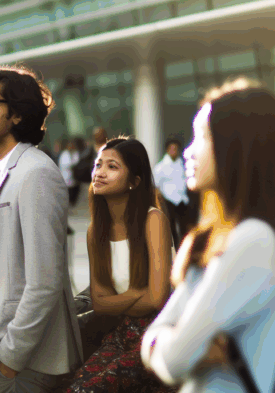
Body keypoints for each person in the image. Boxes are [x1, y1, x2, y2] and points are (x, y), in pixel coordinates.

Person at [141, 78, 275, 392]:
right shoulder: (215, 239)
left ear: (237, 149)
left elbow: (172, 359)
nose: (188, 152)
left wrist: (172, 344)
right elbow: (153, 341)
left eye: (202, 138)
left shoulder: (254, 240)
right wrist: (180, 344)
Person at [0, 65, 81, 393]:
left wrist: (10, 358)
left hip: (29, 363)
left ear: (15, 114)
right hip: (8, 358)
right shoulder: (11, 170)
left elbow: (44, 281)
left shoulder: (36, 173)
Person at [64, 137, 174, 393]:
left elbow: (158, 299)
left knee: (91, 388)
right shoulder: (95, 232)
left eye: (112, 167)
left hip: (159, 332)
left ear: (135, 181)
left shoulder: (153, 220)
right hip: (121, 330)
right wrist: (137, 293)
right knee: (76, 386)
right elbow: (100, 304)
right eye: (98, 164)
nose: (99, 173)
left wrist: (122, 301)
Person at [154, 138, 192, 248]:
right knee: (171, 228)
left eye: (175, 149)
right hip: (168, 200)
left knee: (185, 227)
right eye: (171, 149)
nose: (173, 151)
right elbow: (156, 186)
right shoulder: (160, 167)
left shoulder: (182, 165)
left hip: (182, 199)